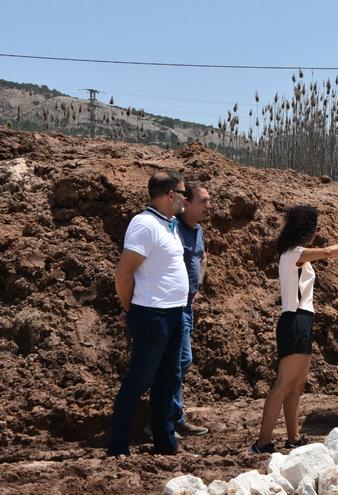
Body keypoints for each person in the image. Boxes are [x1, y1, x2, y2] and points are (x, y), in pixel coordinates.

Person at [250, 205, 338, 454]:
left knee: (296, 385)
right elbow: (329, 252)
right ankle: (262, 443)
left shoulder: (293, 253)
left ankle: (293, 437)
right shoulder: (294, 253)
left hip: (302, 320)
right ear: (306, 230)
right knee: (283, 384)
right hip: (295, 320)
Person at [108, 170, 190, 456]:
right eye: (183, 194)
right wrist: (132, 310)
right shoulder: (144, 225)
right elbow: (123, 273)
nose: (185, 199)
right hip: (153, 316)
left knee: (167, 382)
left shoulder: (168, 224)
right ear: (170, 195)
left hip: (173, 314)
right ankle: (118, 447)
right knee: (139, 381)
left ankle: (166, 444)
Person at [170, 180, 211, 435]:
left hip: (187, 305)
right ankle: (167, 418)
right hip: (172, 306)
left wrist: (197, 288)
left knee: (179, 361)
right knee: (181, 360)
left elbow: (203, 257)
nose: (209, 205)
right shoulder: (174, 229)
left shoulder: (197, 231)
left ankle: (172, 416)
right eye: (203, 201)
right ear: (186, 203)